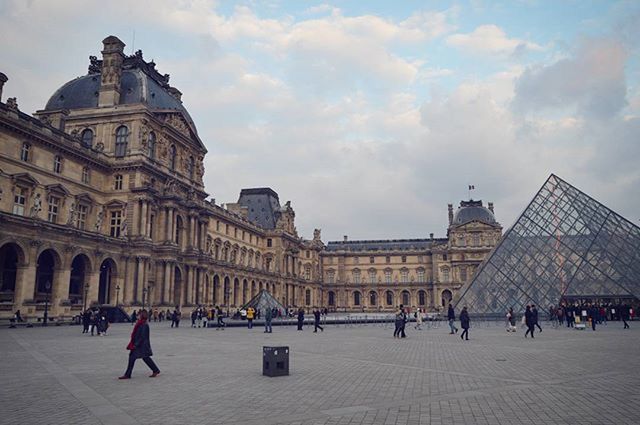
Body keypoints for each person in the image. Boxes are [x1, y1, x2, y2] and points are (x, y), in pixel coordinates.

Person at [119, 309, 160, 379]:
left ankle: (128, 374)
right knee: (144, 358)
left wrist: (135, 345)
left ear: (142, 316)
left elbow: (142, 337)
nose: (137, 316)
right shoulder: (140, 323)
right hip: (140, 345)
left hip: (141, 345)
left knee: (134, 358)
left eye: (139, 314)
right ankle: (155, 370)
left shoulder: (143, 324)